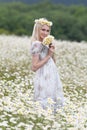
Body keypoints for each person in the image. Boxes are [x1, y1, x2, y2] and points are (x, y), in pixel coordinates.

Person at [31, 18, 64, 112]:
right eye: (43, 30)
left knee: (53, 100)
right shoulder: (36, 44)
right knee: (44, 101)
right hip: (43, 75)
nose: (45, 33)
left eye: (47, 30)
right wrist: (49, 55)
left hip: (52, 75)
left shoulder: (45, 43)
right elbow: (34, 67)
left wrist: (51, 51)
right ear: (37, 30)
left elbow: (52, 62)